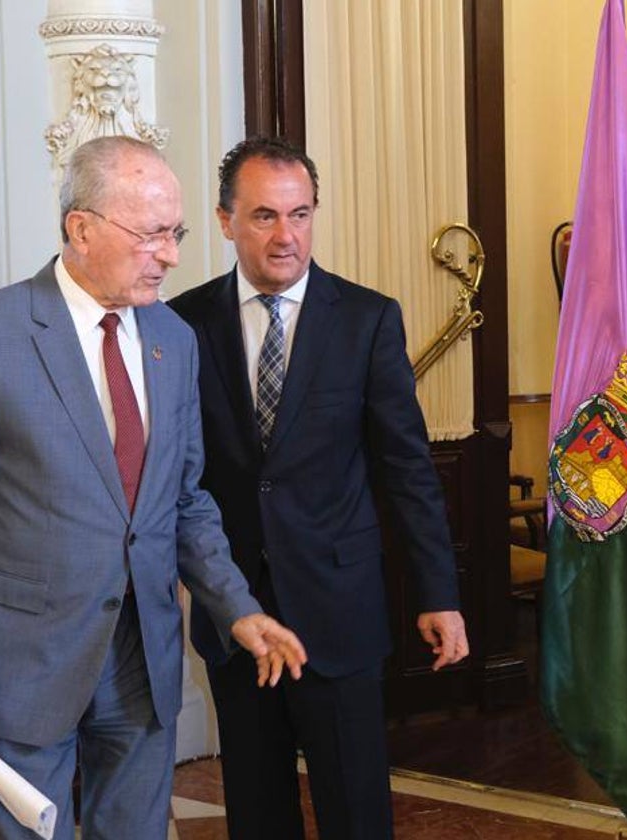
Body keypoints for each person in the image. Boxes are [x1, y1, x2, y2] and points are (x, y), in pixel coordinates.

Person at [0, 135, 306, 840]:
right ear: (80, 229)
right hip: (19, 676)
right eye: (152, 234)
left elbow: (183, 501)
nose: (173, 255)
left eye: (175, 234)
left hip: (141, 660)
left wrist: (237, 608)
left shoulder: (173, 340)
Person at [169, 136, 470, 839]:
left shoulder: (367, 320)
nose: (287, 237)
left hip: (339, 607)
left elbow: (406, 469)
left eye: (301, 215)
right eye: (266, 216)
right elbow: (176, 475)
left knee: (355, 809)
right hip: (235, 611)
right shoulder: (182, 325)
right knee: (256, 803)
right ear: (225, 220)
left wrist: (439, 595)